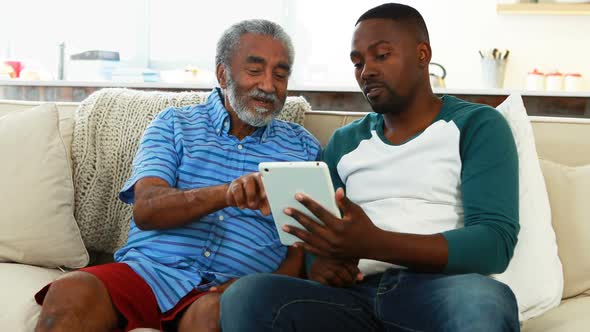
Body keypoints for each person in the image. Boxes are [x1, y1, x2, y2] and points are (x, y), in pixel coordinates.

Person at [220, 3, 520, 332]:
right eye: (358, 62)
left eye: (381, 55)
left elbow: (494, 244)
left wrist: (372, 242)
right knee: (247, 296)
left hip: (440, 291)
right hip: (353, 298)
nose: (366, 71)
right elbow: (321, 240)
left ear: (422, 54)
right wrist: (323, 266)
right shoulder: (344, 142)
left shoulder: (477, 125)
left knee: (485, 303)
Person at [34, 19, 320, 332]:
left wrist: (255, 288)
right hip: (148, 274)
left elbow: (299, 250)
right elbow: (147, 208)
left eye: (280, 74)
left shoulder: (302, 147)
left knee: (214, 314)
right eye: (255, 70)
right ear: (223, 74)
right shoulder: (174, 125)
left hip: (227, 289)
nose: (268, 85)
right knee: (71, 290)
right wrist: (226, 194)